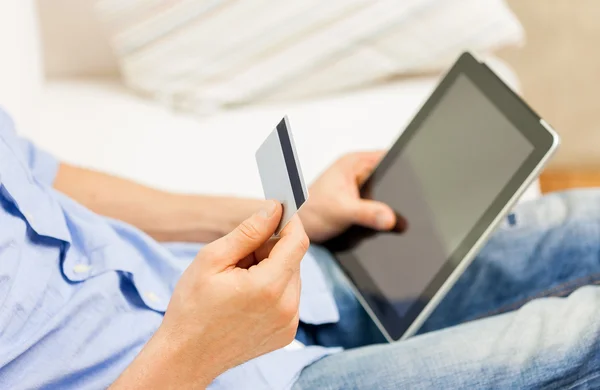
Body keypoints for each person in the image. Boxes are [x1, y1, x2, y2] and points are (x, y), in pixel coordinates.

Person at [1, 105, 600, 390]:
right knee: (580, 340)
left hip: (231, 283)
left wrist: (279, 219)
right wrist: (194, 351)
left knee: (583, 220)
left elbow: (38, 176)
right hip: (201, 371)